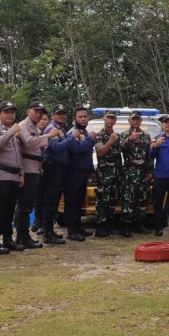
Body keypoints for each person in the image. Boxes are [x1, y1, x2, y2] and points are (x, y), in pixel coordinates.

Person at [0, 101, 24, 255]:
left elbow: (18, 155)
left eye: (12, 112)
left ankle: (8, 238)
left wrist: (21, 173)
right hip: (0, 176)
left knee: (9, 210)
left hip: (14, 176)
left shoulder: (13, 132)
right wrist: (10, 132)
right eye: (6, 112)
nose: (10, 115)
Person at [14, 101, 49, 249]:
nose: (39, 114)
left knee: (28, 204)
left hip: (36, 168)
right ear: (28, 111)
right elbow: (29, 143)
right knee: (24, 204)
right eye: (36, 111)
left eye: (41, 112)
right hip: (27, 169)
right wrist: (49, 136)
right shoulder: (23, 126)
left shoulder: (36, 128)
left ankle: (23, 236)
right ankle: (22, 236)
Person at [61, 107, 96, 242]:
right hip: (73, 172)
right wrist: (90, 139)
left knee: (79, 201)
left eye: (85, 116)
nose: (83, 119)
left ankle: (77, 227)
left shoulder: (84, 132)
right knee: (72, 202)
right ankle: (71, 231)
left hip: (83, 172)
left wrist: (91, 170)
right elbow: (76, 149)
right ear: (74, 119)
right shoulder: (72, 132)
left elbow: (87, 153)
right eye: (80, 117)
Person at [119, 110, 153, 237]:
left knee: (142, 199)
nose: (136, 121)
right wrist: (130, 139)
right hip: (129, 173)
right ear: (129, 121)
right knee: (128, 199)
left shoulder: (146, 136)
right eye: (133, 119)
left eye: (138, 119)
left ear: (141, 121)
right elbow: (120, 149)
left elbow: (149, 155)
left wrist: (150, 171)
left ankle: (140, 224)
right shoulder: (124, 134)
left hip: (143, 173)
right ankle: (126, 226)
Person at [40, 104, 69, 245]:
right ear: (53, 116)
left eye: (63, 114)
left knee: (55, 201)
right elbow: (56, 147)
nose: (62, 116)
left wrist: (65, 138)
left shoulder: (60, 129)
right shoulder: (52, 129)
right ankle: (47, 233)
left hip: (59, 168)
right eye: (59, 114)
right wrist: (70, 139)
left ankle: (50, 230)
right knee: (50, 201)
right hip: (53, 167)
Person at [93, 110, 122, 238]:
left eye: (113, 118)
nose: (110, 120)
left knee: (113, 200)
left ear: (115, 120)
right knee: (102, 200)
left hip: (116, 173)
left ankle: (110, 225)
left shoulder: (117, 135)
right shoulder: (100, 135)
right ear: (104, 118)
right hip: (104, 173)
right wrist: (110, 141)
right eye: (108, 117)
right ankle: (100, 226)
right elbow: (100, 152)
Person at [31, 112, 51, 235]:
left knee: (45, 197)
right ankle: (37, 222)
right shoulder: (34, 133)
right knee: (37, 198)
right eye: (41, 119)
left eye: (45, 119)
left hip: (47, 170)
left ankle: (43, 223)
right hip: (35, 169)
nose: (42, 121)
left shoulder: (51, 134)